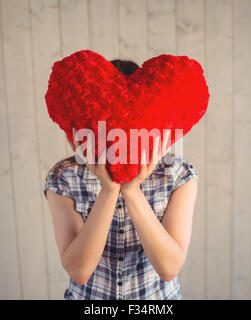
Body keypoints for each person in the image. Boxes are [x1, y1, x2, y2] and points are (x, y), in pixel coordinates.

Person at [43, 59, 198, 300]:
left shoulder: (178, 176)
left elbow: (169, 268)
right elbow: (79, 271)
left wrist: (132, 190)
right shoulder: (64, 179)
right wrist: (109, 189)